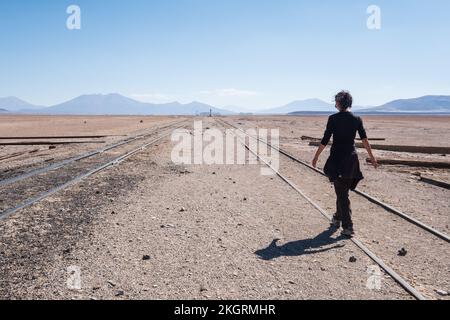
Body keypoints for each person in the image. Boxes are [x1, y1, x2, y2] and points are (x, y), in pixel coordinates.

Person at [312, 91, 378, 237]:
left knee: (342, 193)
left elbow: (325, 140)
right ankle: (337, 218)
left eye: (336, 101)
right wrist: (372, 157)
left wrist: (316, 157)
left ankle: (348, 227)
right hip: (351, 160)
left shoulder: (333, 119)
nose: (335, 103)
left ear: (340, 102)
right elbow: (364, 140)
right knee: (341, 190)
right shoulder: (357, 119)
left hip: (338, 160)